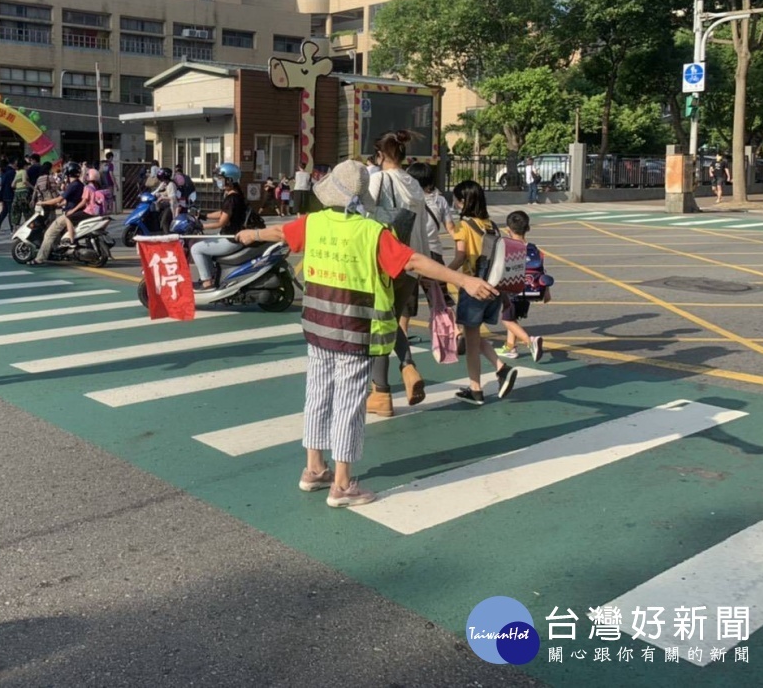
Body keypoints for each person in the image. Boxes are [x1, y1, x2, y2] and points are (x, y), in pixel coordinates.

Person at [234, 160, 496, 508]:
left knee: (317, 395)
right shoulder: (371, 233)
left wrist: (252, 234)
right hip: (354, 330)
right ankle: (341, 485)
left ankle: (314, 469)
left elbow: (282, 233)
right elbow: (414, 262)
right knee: (348, 406)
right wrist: (464, 279)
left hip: (316, 327)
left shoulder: (314, 223)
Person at [367, 131, 430, 416]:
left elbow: (363, 217)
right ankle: (407, 368)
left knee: (379, 326)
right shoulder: (414, 184)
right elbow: (421, 227)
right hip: (412, 261)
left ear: (380, 155)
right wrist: (424, 265)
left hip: (386, 260)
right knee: (390, 319)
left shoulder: (378, 179)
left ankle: (381, 393)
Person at [450, 179, 521, 405]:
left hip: (473, 287)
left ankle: (476, 389)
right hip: (493, 288)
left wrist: (442, 272)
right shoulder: (490, 224)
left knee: (471, 344)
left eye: (455, 198)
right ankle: (500, 369)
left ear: (463, 201)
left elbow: (461, 257)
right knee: (474, 336)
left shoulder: (464, 226)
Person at [496, 210, 547, 363]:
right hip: (528, 291)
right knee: (512, 318)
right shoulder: (533, 248)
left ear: (507, 229)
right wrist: (546, 292)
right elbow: (542, 271)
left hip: (510, 291)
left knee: (507, 320)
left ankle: (529, 341)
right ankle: (510, 347)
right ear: (528, 228)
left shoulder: (507, 246)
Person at [190, 163, 248, 291]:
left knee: (196, 249)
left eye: (221, 179)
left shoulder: (232, 198)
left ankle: (207, 283)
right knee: (201, 243)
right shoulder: (234, 195)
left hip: (230, 239)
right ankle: (212, 277)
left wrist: (201, 227)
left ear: (230, 179)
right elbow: (223, 213)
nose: (218, 181)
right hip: (229, 235)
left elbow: (221, 222)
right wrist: (203, 216)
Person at [407, 161, 456, 308]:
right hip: (433, 254)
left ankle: (402, 331)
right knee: (440, 301)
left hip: (410, 254)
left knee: (406, 306)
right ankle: (450, 330)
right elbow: (451, 228)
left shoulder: (407, 200)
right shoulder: (439, 200)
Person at [31, 162, 85, 265]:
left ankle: (40, 258)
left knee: (49, 234)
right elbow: (70, 200)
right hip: (77, 213)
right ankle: (58, 250)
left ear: (68, 173)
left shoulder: (72, 185)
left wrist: (43, 202)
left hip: (69, 214)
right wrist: (59, 204)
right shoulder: (80, 185)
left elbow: (58, 199)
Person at [153, 167, 179, 233]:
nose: (161, 180)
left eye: (162, 178)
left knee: (164, 221)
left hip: (171, 206)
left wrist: (162, 197)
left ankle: (167, 236)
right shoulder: (164, 184)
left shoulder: (171, 185)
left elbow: (173, 198)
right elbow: (156, 191)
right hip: (163, 205)